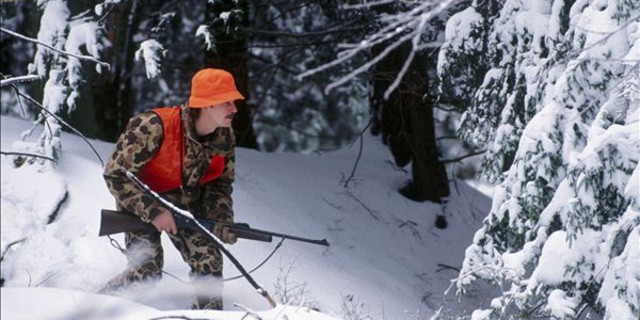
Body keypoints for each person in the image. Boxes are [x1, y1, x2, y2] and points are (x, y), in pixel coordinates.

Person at [100, 68, 243, 310]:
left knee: (209, 265)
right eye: (227, 102)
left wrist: (221, 221)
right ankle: (93, 307)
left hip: (186, 208)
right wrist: (154, 212)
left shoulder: (225, 137)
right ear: (207, 105)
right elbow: (115, 175)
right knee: (146, 272)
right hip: (141, 203)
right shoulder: (153, 126)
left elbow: (219, 184)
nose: (235, 109)